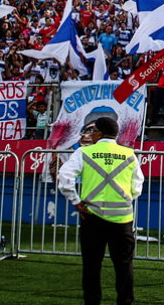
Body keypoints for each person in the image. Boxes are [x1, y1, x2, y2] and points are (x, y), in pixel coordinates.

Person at [57, 116, 144, 305]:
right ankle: (125, 301)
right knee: (124, 265)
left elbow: (64, 178)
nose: (91, 134)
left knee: (91, 265)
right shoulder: (129, 154)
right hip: (122, 219)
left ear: (98, 133)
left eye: (92, 131)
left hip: (93, 216)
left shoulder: (85, 152)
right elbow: (138, 185)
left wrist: (76, 201)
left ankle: (92, 301)